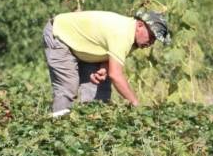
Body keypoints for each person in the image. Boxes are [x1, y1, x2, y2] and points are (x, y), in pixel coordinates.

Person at [42, 9, 170, 117]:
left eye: (155, 40)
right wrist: (135, 103)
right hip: (60, 34)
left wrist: (104, 67)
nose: (151, 42)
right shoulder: (123, 33)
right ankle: (57, 128)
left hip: (82, 44)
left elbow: (107, 50)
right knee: (68, 86)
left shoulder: (133, 38)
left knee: (100, 87)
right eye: (152, 36)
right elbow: (116, 75)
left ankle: (90, 130)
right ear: (140, 25)